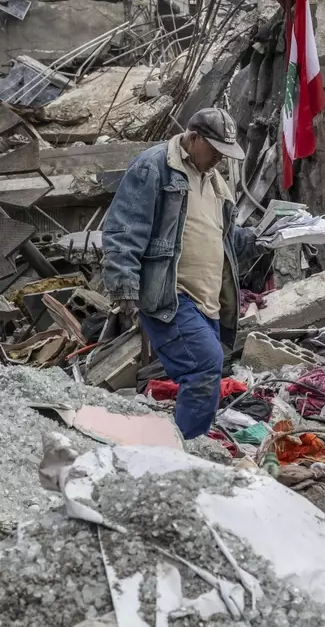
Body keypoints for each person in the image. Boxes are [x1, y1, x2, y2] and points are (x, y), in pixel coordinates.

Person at [101, 107, 259, 439]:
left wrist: (268, 238)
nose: (219, 158)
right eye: (214, 149)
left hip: (208, 301)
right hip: (171, 295)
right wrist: (124, 285)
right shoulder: (155, 166)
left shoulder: (214, 179)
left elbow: (224, 236)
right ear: (193, 137)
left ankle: (187, 444)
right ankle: (187, 450)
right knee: (204, 367)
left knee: (208, 375)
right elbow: (122, 229)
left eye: (224, 153)